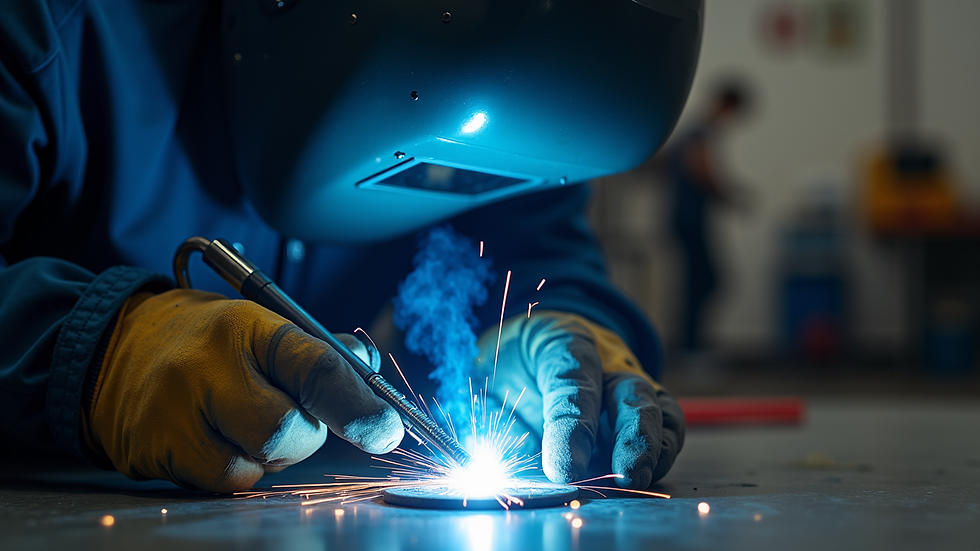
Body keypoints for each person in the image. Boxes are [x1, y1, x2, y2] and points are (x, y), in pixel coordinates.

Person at [0, 0, 698, 493]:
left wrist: (558, 330)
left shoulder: (539, 91)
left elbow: (538, 251)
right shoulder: (52, 28)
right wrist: (97, 353)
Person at [664, 81, 751, 359]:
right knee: (705, 282)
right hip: (689, 219)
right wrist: (729, 195)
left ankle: (692, 346)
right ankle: (691, 349)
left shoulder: (693, 130)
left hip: (687, 218)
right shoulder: (699, 131)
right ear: (726, 105)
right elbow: (699, 170)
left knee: (699, 282)